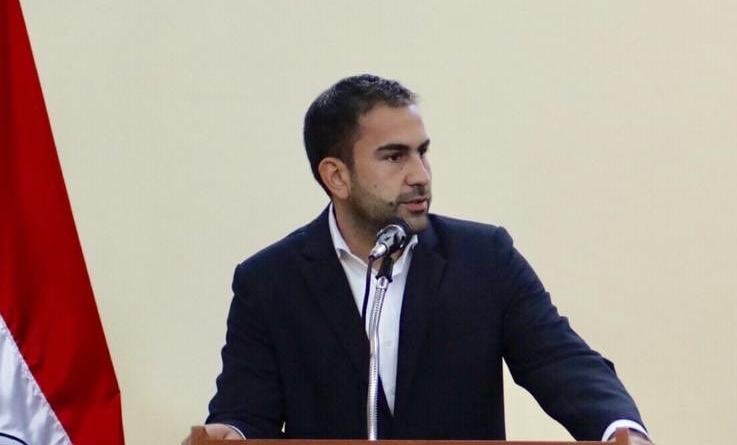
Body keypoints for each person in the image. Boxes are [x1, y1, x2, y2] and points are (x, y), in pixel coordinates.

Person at [189, 75, 651, 444]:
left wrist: (619, 427)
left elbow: (560, 360)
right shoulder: (270, 281)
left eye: (422, 153)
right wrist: (229, 434)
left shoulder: (484, 259)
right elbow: (246, 409)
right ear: (336, 176)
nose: (420, 175)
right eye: (394, 157)